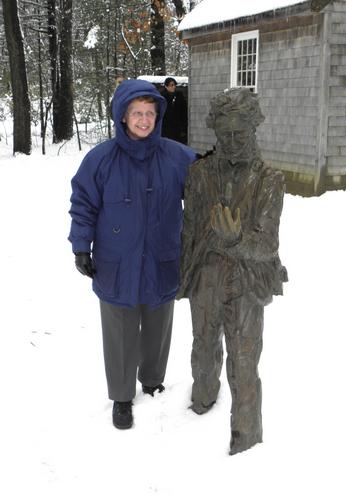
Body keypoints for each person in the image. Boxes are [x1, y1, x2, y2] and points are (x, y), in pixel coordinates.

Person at [68, 79, 197, 430]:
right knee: (120, 328)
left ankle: (153, 383)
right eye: (136, 113)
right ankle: (122, 396)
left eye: (150, 113)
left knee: (158, 324)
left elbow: (207, 182)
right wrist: (81, 245)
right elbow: (83, 205)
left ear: (158, 116)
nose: (143, 120)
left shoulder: (176, 156)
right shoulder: (100, 159)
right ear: (123, 116)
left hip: (161, 256)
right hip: (116, 261)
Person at [177, 87, 287, 455]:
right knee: (203, 347)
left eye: (241, 132)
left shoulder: (269, 180)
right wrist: (184, 273)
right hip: (206, 276)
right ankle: (202, 399)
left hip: (245, 279)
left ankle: (246, 439)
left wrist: (237, 239)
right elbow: (189, 229)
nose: (234, 140)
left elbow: (268, 243)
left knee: (243, 361)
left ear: (254, 129)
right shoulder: (200, 174)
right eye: (226, 133)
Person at [161, 77, 188, 144]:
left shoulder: (179, 95)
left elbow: (183, 110)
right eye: (171, 85)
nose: (173, 87)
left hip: (178, 126)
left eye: (174, 85)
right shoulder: (162, 97)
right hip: (166, 126)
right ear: (166, 86)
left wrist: (183, 125)